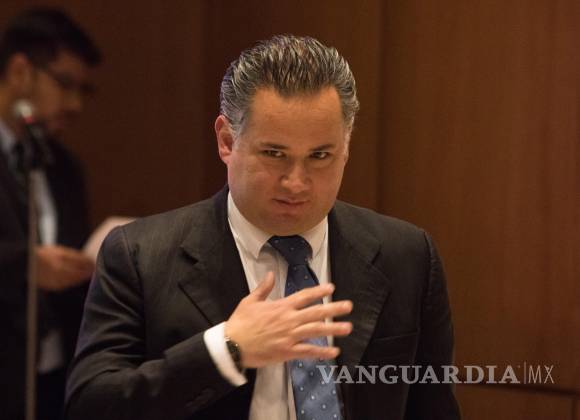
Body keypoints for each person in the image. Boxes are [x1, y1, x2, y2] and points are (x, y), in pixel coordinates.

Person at [65, 35, 460, 419]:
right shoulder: (140, 257)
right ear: (226, 140)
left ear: (346, 146)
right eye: (274, 153)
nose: (296, 182)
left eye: (320, 156)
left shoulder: (407, 255)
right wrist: (225, 350)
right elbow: (90, 406)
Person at [0, 8, 101, 420]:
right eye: (64, 84)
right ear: (20, 71)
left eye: (82, 90)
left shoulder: (64, 166)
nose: (74, 104)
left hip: (53, 373)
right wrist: (25, 266)